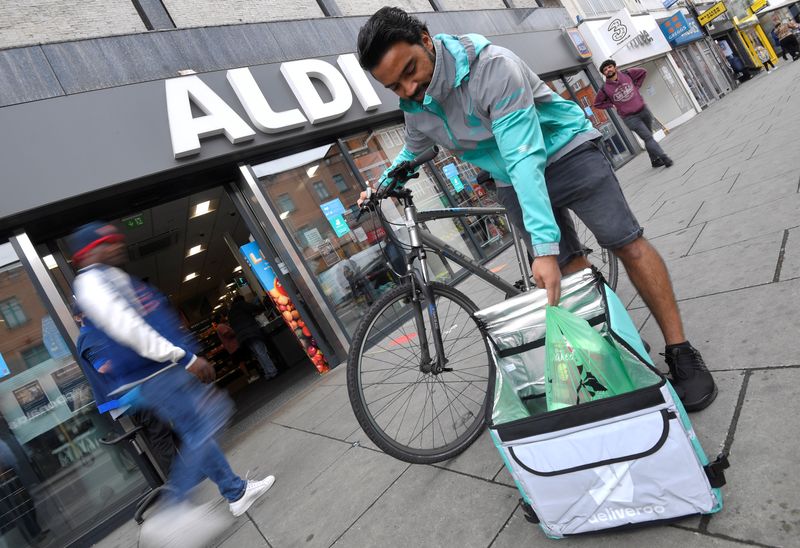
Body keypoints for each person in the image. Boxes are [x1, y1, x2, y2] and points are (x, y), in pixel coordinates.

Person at [355, 7, 716, 411]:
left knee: (625, 243)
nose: (408, 88)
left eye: (410, 71)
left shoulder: (492, 67)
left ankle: (681, 350)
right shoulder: (415, 103)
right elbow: (416, 146)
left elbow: (524, 153)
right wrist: (386, 181)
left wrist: (541, 249)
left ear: (425, 39)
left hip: (566, 152)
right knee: (567, 271)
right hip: (512, 178)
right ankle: (623, 345)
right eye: (395, 86)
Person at [68, 222, 275, 547]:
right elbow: (129, 328)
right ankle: (173, 510)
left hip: (159, 369)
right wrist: (184, 358)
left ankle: (235, 492)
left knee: (198, 430)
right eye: (108, 242)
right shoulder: (93, 283)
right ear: (90, 252)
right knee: (211, 417)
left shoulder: (112, 277)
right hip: (154, 372)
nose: (117, 246)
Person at [593, 60, 673, 168]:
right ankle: (664, 157)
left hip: (643, 110)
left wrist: (636, 86)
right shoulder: (604, 89)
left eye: (609, 67)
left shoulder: (627, 74)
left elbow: (643, 72)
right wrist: (612, 104)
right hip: (630, 118)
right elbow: (597, 104)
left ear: (615, 67)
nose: (608, 70)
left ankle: (654, 160)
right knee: (648, 138)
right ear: (604, 74)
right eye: (605, 70)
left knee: (649, 137)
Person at [228, 295, 279, 379]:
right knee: (261, 352)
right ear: (241, 300)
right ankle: (272, 371)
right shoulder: (241, 304)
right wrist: (261, 307)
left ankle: (268, 373)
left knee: (257, 354)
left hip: (242, 337)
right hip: (250, 331)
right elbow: (254, 308)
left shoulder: (230, 312)